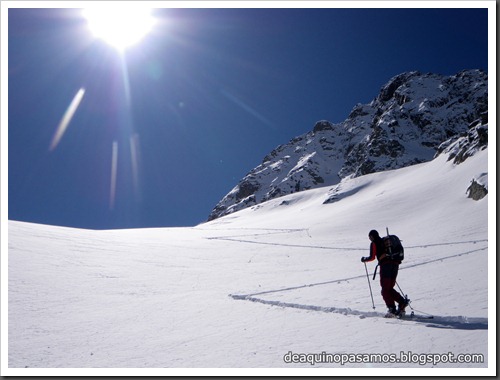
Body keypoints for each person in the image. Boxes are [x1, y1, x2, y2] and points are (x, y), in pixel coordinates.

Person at [361, 229, 409, 317]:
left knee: (385, 290)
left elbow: (372, 257)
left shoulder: (375, 243)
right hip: (395, 264)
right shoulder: (385, 242)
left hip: (386, 266)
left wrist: (364, 259)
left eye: (370, 237)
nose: (370, 239)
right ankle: (402, 303)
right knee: (389, 288)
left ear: (372, 236)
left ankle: (392, 309)